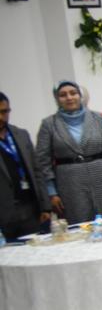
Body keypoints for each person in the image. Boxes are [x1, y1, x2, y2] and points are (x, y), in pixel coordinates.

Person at [35, 81, 102, 225]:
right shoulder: (49, 124)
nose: (69, 97)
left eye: (73, 93)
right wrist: (51, 192)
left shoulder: (98, 118)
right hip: (69, 183)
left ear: (80, 96)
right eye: (63, 95)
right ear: (57, 99)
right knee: (79, 225)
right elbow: (43, 162)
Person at [0, 92, 51, 240]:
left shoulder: (21, 135)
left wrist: (46, 206)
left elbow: (37, 171)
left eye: (4, 112)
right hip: (4, 213)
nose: (1, 117)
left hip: (31, 208)